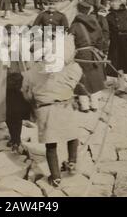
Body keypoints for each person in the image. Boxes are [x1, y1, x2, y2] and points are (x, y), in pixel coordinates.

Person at [21, 36, 82, 188]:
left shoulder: (30, 73)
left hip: (45, 109)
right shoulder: (65, 67)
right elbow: (76, 75)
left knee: (51, 145)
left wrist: (34, 101)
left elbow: (26, 94)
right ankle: (72, 162)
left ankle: (55, 178)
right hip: (66, 106)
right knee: (72, 135)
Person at [0, 24, 32, 152]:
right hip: (3, 85)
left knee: (16, 114)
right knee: (6, 114)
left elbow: (29, 65)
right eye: (7, 35)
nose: (10, 38)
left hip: (19, 86)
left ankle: (16, 140)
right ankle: (13, 137)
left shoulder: (22, 48)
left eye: (12, 35)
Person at [70, 1, 106, 113]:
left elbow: (70, 43)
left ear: (77, 11)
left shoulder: (75, 25)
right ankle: (95, 105)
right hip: (94, 54)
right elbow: (101, 40)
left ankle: (84, 105)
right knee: (94, 78)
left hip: (80, 55)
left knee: (82, 79)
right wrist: (100, 51)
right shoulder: (95, 23)